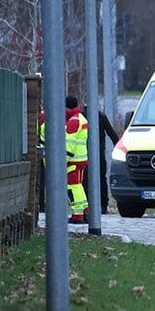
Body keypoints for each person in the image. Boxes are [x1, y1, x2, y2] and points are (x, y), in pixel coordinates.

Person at [83, 107, 120, 214]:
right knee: (101, 179)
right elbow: (112, 134)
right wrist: (119, 148)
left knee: (85, 179)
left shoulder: (82, 116)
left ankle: (88, 205)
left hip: (84, 153)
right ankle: (103, 205)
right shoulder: (101, 116)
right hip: (99, 153)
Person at [65, 96, 89, 224]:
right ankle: (84, 211)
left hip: (73, 160)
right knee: (78, 186)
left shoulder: (73, 121)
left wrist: (63, 161)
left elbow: (69, 144)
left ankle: (77, 215)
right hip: (80, 159)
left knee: (73, 187)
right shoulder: (80, 118)